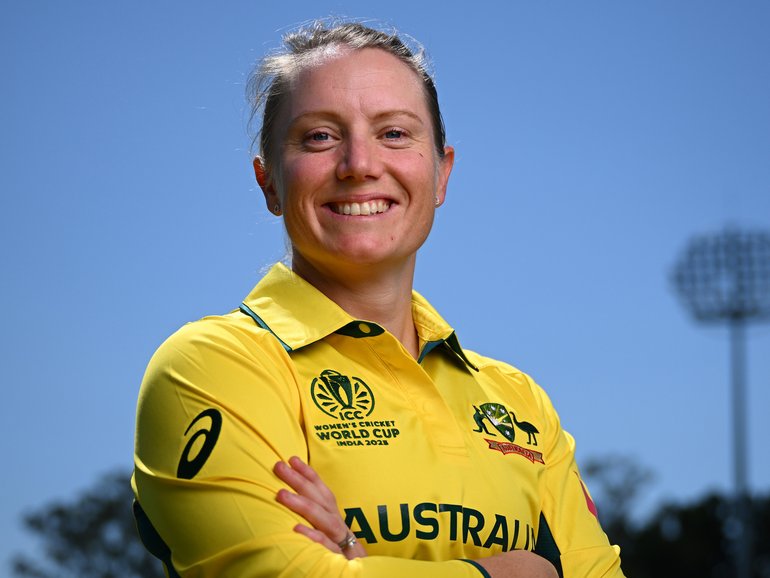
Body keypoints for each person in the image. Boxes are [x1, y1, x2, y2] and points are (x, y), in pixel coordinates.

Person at [132, 20, 625, 578]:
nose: (360, 164)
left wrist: (360, 563)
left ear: (442, 174)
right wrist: (505, 574)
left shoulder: (519, 401)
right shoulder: (213, 365)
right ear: (269, 183)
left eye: (394, 133)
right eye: (319, 136)